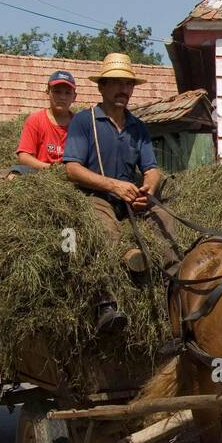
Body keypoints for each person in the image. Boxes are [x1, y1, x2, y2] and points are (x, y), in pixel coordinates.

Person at [62, 53, 167, 335]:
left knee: (166, 224)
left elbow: (152, 169)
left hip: (131, 200)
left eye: (128, 84)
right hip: (95, 197)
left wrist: (148, 189)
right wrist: (113, 186)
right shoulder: (85, 122)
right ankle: (105, 304)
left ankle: (173, 294)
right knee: (106, 231)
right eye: (117, 83)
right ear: (102, 87)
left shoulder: (138, 127)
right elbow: (72, 169)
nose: (123, 90)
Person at [15, 70, 77, 170]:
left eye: (68, 93)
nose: (62, 97)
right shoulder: (35, 120)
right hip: (42, 177)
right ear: (48, 92)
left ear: (74, 97)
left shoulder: (79, 123)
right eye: (57, 92)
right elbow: (24, 157)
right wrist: (51, 170)